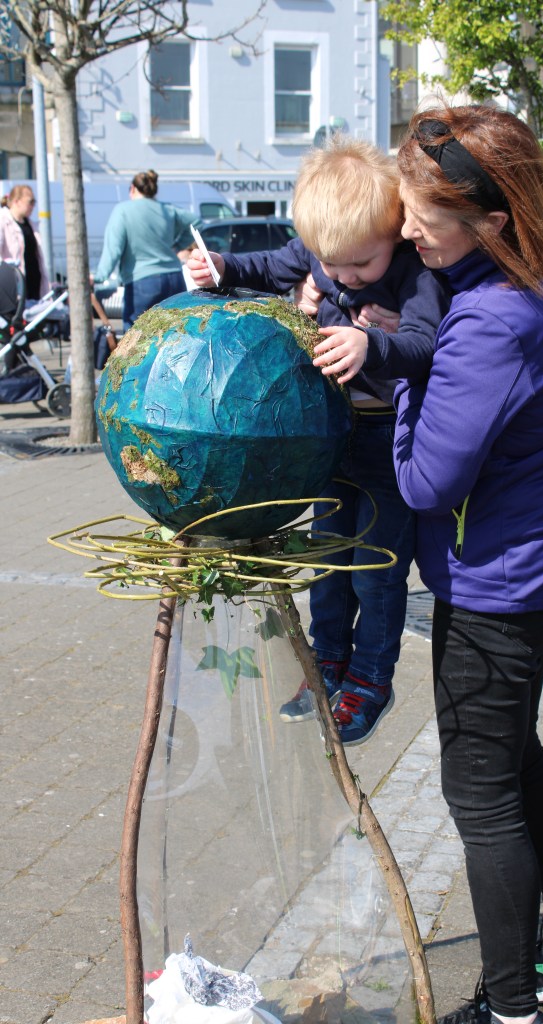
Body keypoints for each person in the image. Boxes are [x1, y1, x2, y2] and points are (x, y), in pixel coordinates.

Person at [388, 105, 543, 1024]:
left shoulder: (488, 320)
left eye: (422, 216)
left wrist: (402, 373)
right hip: (539, 561)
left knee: (479, 795)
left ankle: (511, 1007)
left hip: (500, 586)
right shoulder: (515, 280)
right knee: (516, 762)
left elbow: (422, 481)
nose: (407, 230)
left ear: (491, 219)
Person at [188, 135, 450, 745]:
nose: (346, 279)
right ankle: (325, 662)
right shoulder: (319, 254)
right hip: (331, 437)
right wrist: (221, 267)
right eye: (332, 267)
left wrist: (371, 345)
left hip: (391, 441)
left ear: (396, 235)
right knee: (327, 562)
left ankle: (369, 679)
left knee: (376, 571)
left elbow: (426, 345)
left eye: (362, 266)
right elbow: (264, 268)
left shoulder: (413, 276)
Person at [93, 170, 198, 332]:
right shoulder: (167, 210)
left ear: (132, 189)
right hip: (174, 278)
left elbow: (113, 249)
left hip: (142, 282)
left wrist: (99, 276)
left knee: (138, 340)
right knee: (175, 334)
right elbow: (196, 222)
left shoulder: (122, 211)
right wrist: (177, 246)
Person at [0, 185, 50, 302]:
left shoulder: (31, 225)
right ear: (17, 201)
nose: (33, 206)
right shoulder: (3, 221)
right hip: (15, 286)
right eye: (30, 202)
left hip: (34, 285)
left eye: (34, 202)